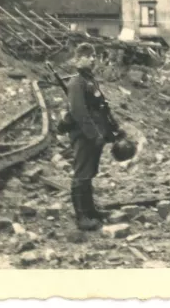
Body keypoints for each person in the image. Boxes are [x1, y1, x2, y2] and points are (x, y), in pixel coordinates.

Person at [66, 43, 115, 231]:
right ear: (78, 59)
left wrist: (110, 129)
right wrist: (93, 134)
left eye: (94, 55)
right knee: (81, 173)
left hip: (95, 134)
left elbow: (101, 107)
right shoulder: (76, 82)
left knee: (90, 172)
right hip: (84, 135)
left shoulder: (90, 80)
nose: (93, 59)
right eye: (88, 55)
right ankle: (82, 217)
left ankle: (91, 210)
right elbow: (79, 112)